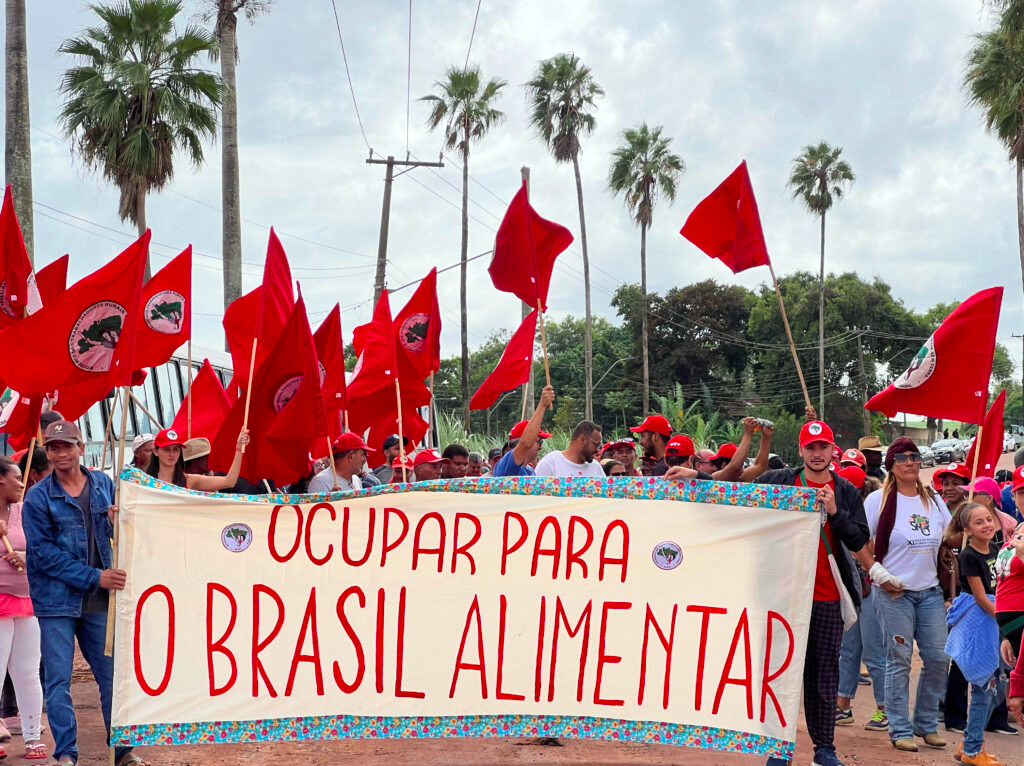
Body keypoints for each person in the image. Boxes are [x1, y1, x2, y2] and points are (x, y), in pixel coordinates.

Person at [22, 420, 145, 766]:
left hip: (99, 600)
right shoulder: (38, 497)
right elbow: (43, 554)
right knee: (58, 678)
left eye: (66, 446)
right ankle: (66, 753)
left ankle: (120, 749)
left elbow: (117, 530)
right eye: (53, 448)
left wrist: (117, 519)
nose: (60, 453)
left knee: (111, 677)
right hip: (57, 601)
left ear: (81, 448)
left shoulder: (104, 483)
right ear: (47, 452)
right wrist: (95, 576)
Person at [756, 421, 878, 766]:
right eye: (810, 448)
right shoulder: (779, 482)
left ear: (832, 450)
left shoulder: (845, 492)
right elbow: (737, 498)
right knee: (779, 674)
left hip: (826, 597)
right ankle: (778, 749)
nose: (817, 454)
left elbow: (858, 540)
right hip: (783, 597)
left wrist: (836, 513)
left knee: (823, 675)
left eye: (823, 447)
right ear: (801, 451)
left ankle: (824, 748)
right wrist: (695, 479)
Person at [864, 437, 951, 753]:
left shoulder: (934, 500)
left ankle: (926, 725)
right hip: (893, 593)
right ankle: (900, 729)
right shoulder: (877, 501)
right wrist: (879, 575)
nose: (910, 462)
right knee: (898, 659)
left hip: (929, 591)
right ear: (891, 465)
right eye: (902, 457)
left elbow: (949, 535)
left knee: (939, 657)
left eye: (914, 456)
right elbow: (860, 543)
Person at [951, 502, 1008, 764]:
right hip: (981, 622)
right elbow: (980, 597)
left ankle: (970, 742)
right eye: (978, 522)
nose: (986, 524)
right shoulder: (968, 556)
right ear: (967, 530)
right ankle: (973, 749)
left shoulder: (996, 549)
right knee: (985, 685)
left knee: (995, 687)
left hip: (994, 618)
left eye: (988, 519)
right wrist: (1005, 620)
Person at [834, 468, 889, 734]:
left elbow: (872, 550)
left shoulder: (870, 511)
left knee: (874, 651)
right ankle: (843, 706)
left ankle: (884, 708)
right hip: (850, 587)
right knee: (849, 648)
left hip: (871, 586)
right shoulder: (839, 513)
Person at [0, 456, 44, 760]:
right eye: (16, 478)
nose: (21, 483)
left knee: (28, 672)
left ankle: (32, 736)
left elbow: (43, 547)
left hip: (27, 600)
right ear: (0, 480)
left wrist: (27, 557)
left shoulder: (25, 510)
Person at [145, 427, 249, 491]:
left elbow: (229, 481)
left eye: (176, 449)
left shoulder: (189, 480)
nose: (172, 454)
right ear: (156, 451)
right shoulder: (143, 480)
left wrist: (239, 448)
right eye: (166, 450)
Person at [493, 386, 554, 478]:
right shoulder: (507, 465)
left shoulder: (529, 471)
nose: (540, 448)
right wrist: (542, 404)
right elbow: (525, 444)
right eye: (539, 441)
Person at [959, 477, 1019, 545]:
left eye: (972, 495)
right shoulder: (959, 524)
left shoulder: (1012, 526)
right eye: (966, 494)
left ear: (989, 499)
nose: (967, 499)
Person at [535, 420, 604, 478]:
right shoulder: (551, 462)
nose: (598, 450)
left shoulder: (596, 468)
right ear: (582, 440)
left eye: (600, 446)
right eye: (596, 444)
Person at [308, 433, 374, 492]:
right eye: (364, 454)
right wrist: (330, 500)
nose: (365, 459)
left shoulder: (356, 479)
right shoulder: (320, 482)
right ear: (351, 455)